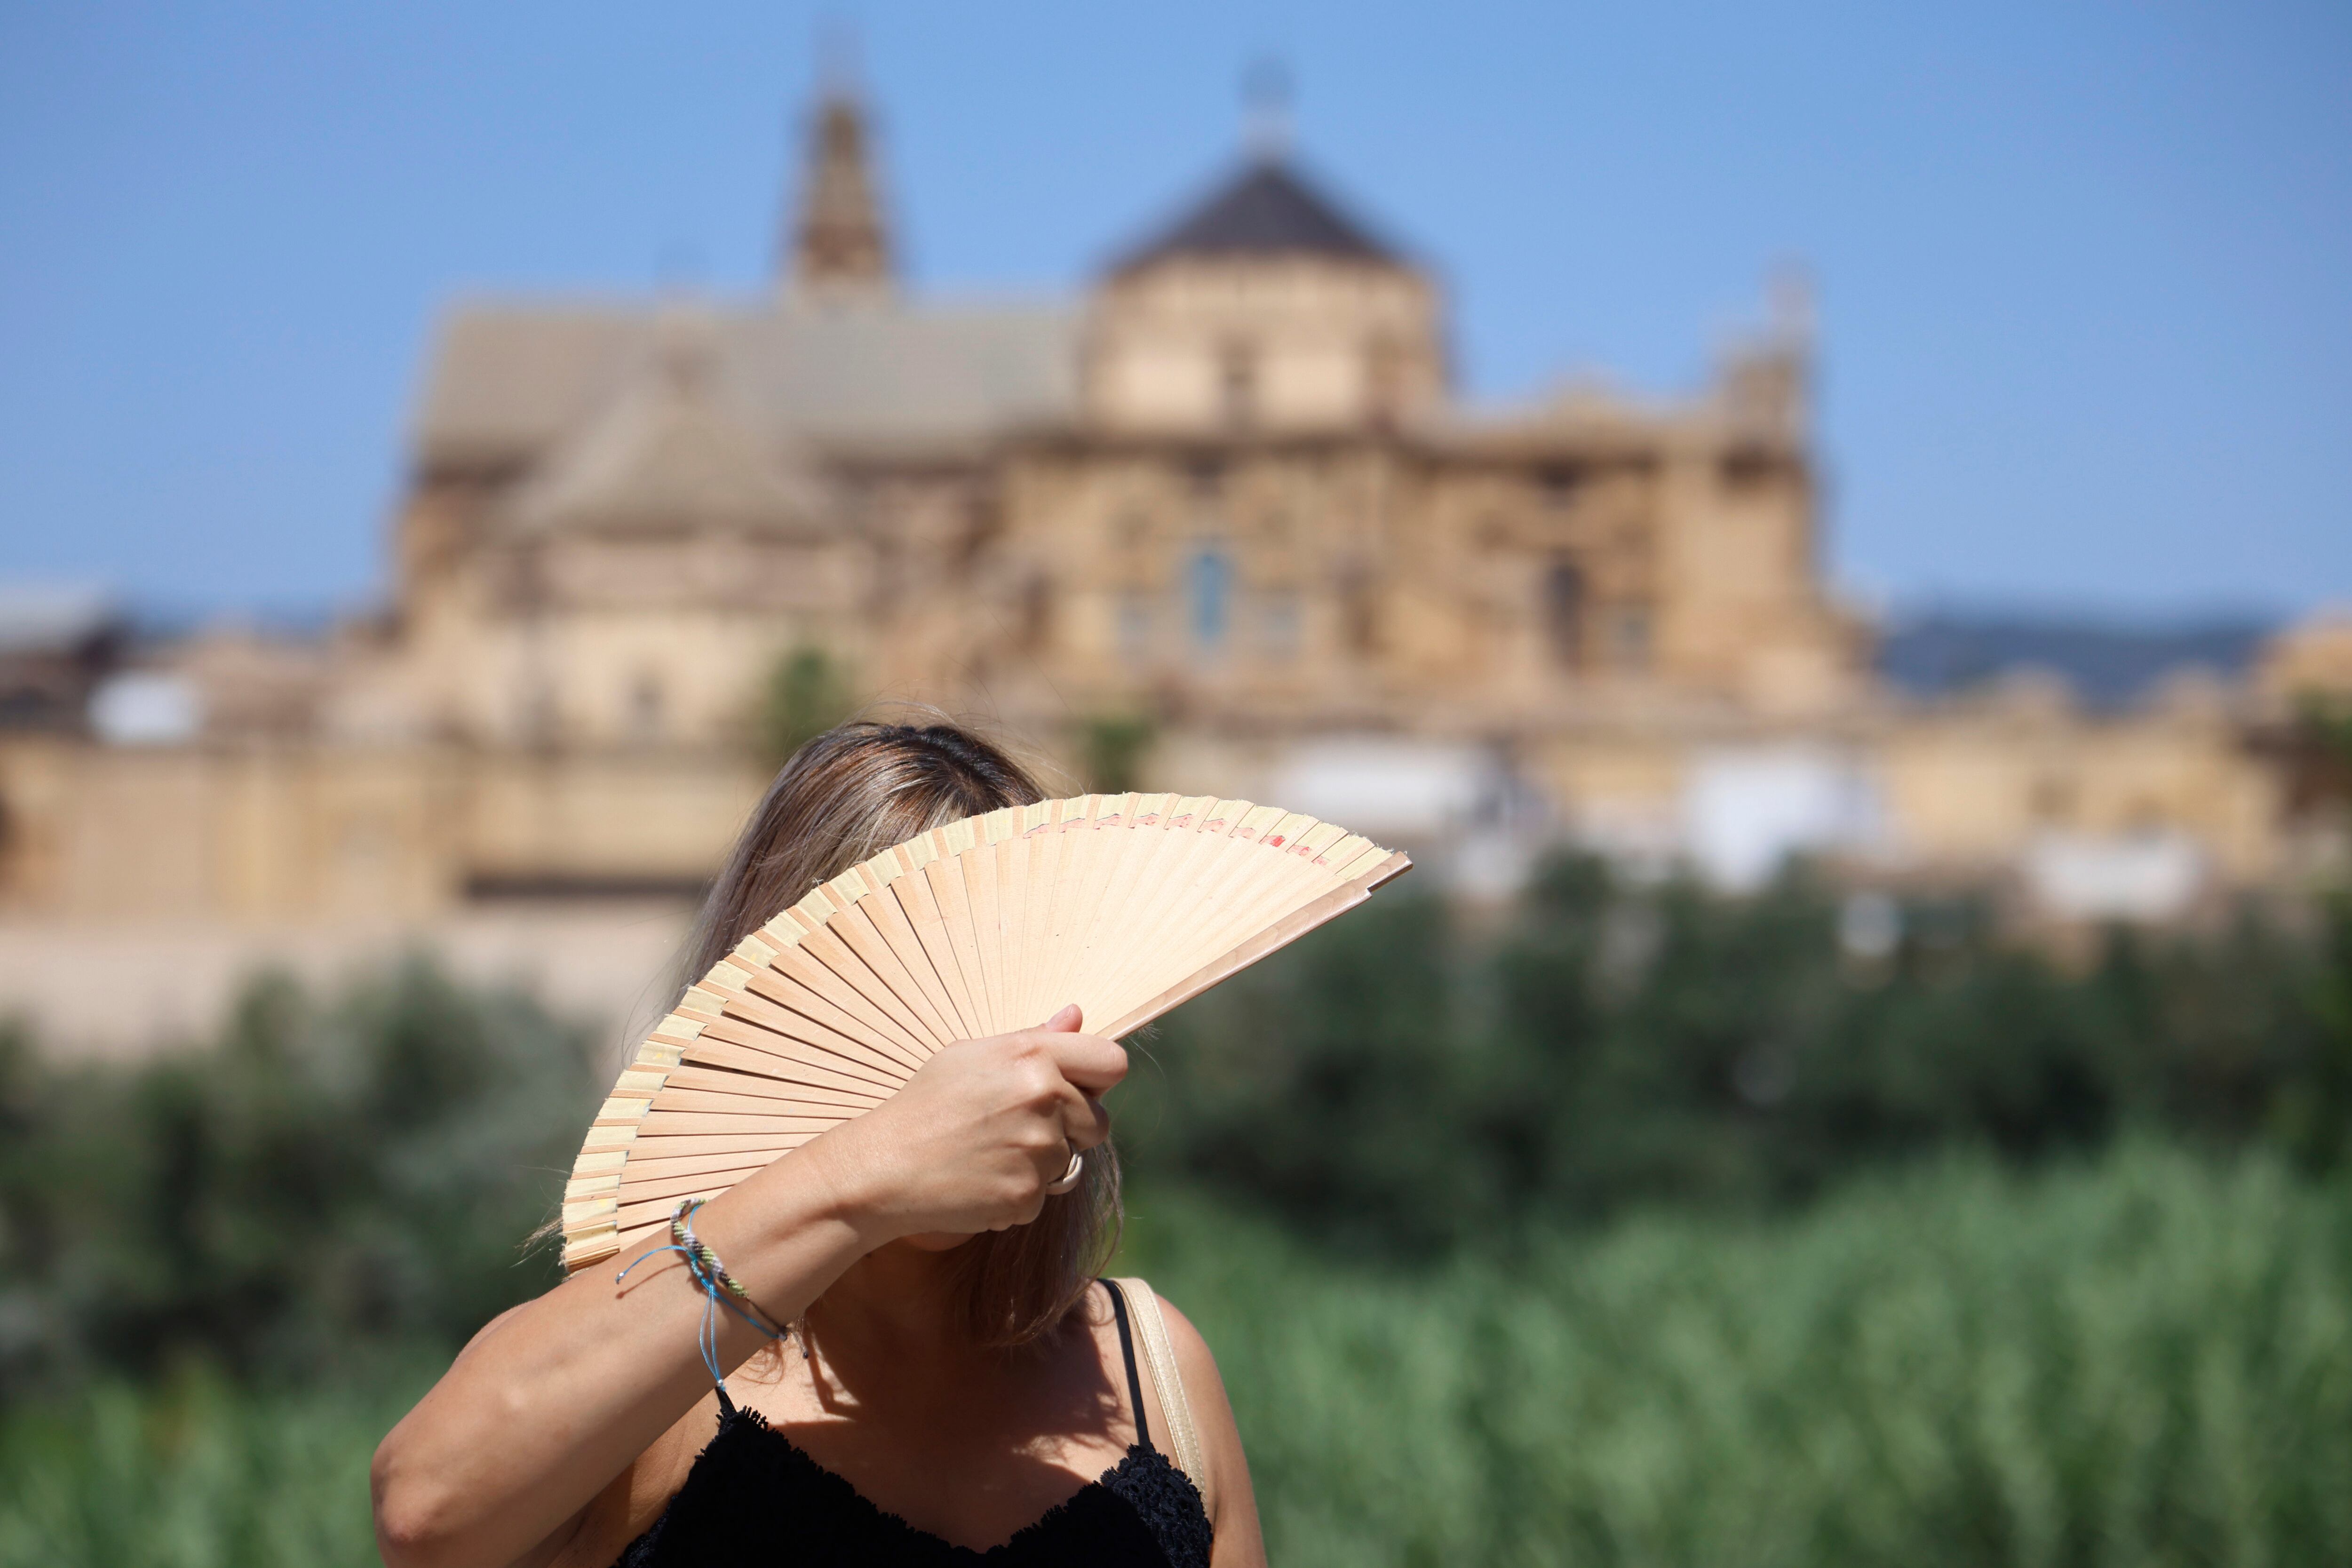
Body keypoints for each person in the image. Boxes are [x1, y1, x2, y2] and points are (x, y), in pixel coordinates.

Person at [372, 722, 1266, 1568]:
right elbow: (424, 1513)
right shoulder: (661, 1377)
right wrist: (871, 1173)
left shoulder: (1154, 1372)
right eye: (898, 996)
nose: (961, 1062)